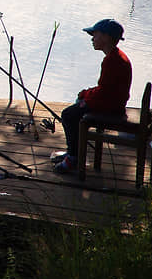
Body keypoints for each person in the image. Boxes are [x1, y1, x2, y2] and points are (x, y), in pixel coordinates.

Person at [54, 19, 132, 173]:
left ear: (106, 37)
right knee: (77, 108)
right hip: (112, 103)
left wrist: (85, 97)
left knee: (69, 114)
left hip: (111, 107)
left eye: (95, 35)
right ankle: (73, 153)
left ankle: (73, 158)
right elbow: (105, 88)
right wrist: (86, 95)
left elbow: (104, 92)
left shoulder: (112, 61)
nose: (92, 39)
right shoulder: (115, 56)